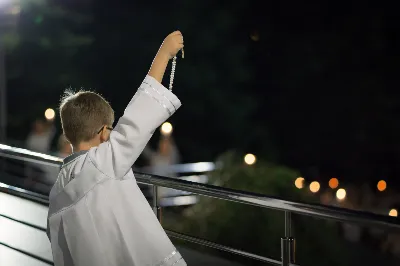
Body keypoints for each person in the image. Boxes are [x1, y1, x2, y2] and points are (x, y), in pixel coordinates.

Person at [47, 31, 186, 266]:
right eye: (111, 129)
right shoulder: (104, 162)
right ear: (103, 132)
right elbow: (137, 119)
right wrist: (164, 52)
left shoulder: (58, 188)